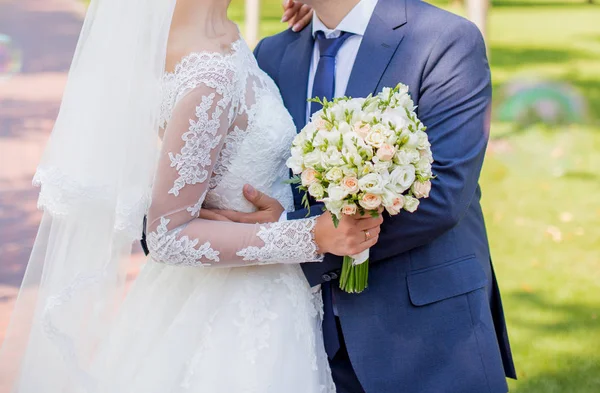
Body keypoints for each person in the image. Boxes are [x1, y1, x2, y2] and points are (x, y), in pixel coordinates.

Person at [0, 0, 383, 391]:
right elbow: (167, 234)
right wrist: (311, 236)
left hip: (248, 292)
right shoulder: (210, 76)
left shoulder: (224, 36)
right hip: (235, 317)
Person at [210, 0, 518, 392]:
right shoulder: (273, 53)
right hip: (303, 341)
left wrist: (291, 236)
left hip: (427, 336)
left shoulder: (443, 40)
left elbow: (442, 196)